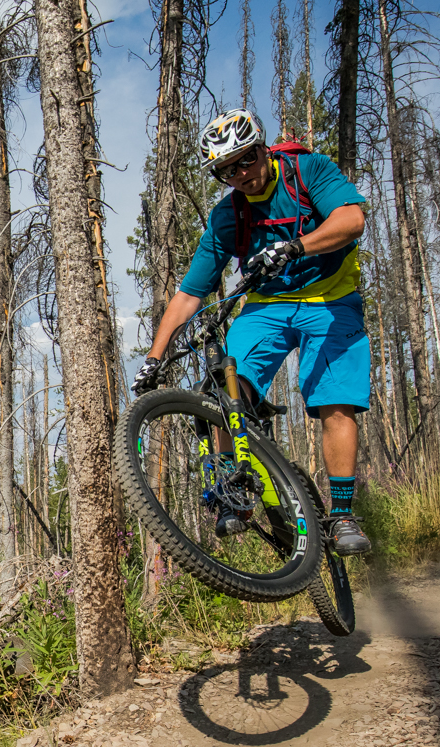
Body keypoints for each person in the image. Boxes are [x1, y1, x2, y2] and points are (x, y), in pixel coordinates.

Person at [132, 108, 373, 556]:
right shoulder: (229, 217)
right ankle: (233, 489)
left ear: (263, 150)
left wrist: (295, 245)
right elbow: (189, 294)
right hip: (266, 308)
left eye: (245, 160)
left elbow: (351, 220)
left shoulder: (309, 171)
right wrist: (153, 358)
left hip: (332, 299)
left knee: (333, 402)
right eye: (226, 170)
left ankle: (341, 516)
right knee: (224, 386)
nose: (240, 174)